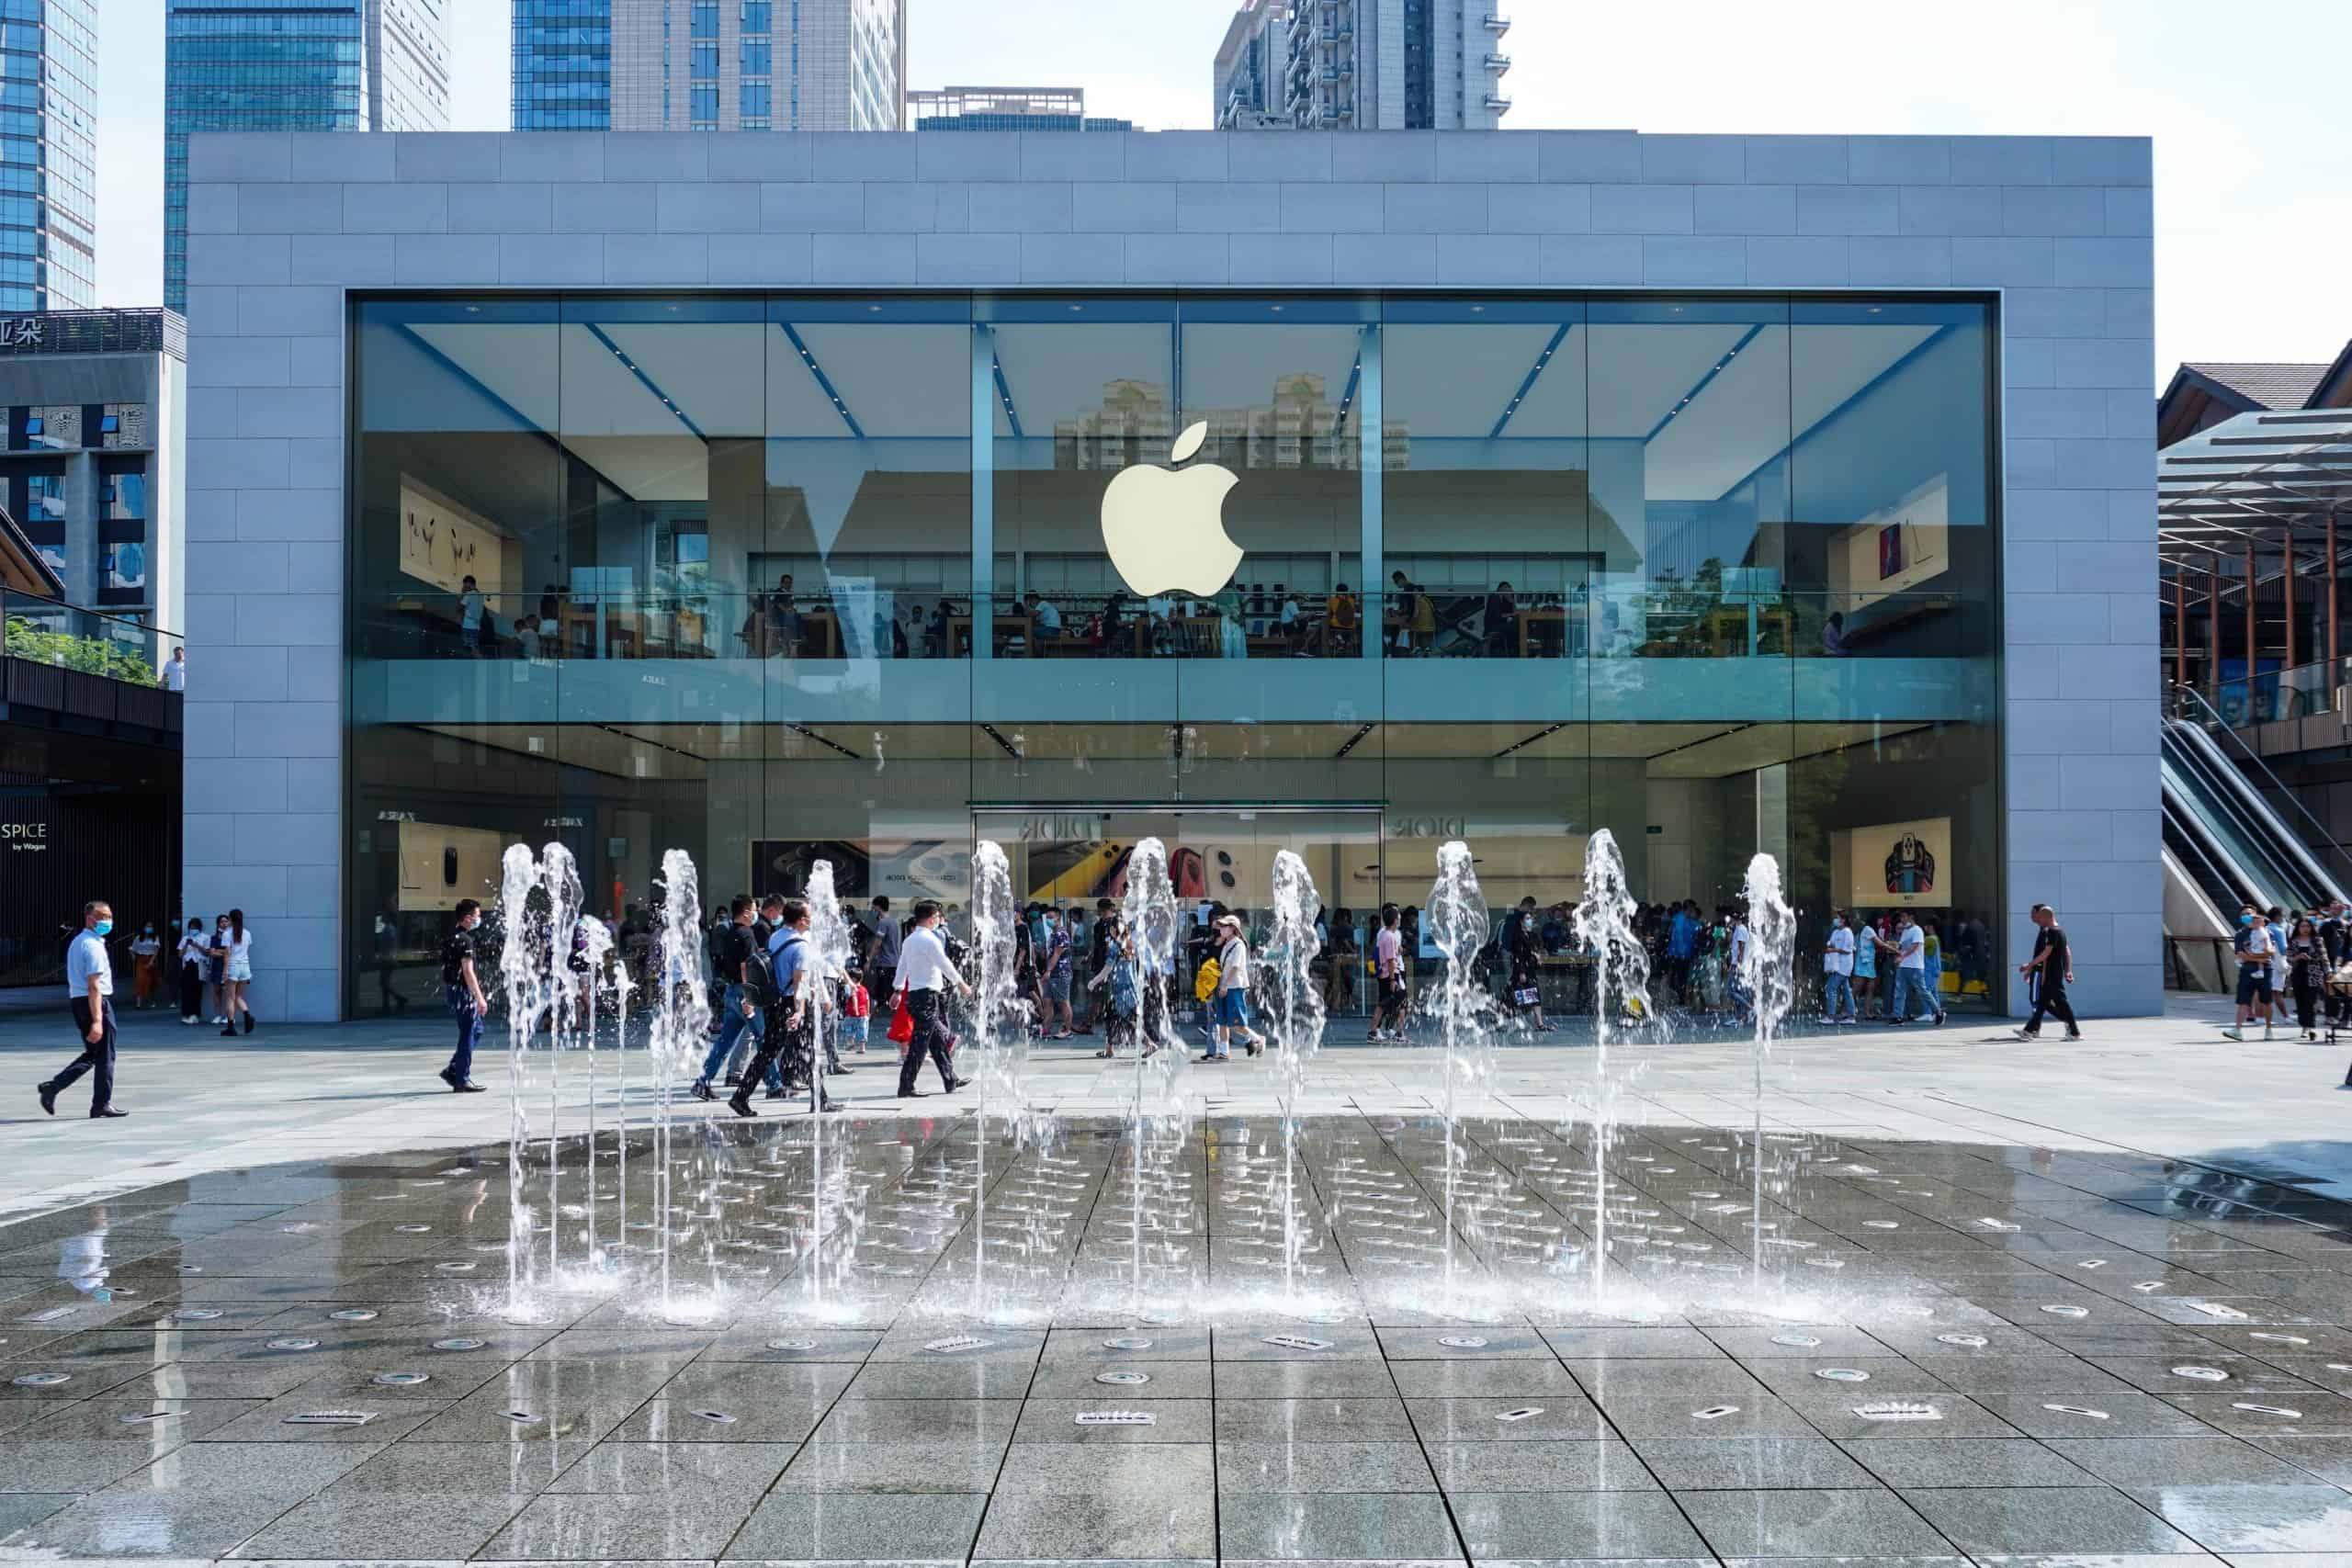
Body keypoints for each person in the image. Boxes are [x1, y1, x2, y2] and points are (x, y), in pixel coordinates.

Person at [729, 897, 839, 1118]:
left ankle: (741, 1097)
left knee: (768, 1051)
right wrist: (799, 1012)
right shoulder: (801, 947)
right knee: (808, 1049)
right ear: (801, 920)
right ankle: (819, 1099)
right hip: (790, 1004)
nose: (811, 920)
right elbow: (799, 984)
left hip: (774, 1002)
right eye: (809, 916)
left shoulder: (777, 936)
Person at [39, 900, 125, 1119]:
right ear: (90, 918)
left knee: (93, 1053)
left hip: (79, 1001)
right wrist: (97, 1020)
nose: (108, 921)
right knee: (105, 1055)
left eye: (109, 916)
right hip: (94, 1002)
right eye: (103, 916)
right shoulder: (92, 946)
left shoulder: (79, 941)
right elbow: (94, 985)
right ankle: (101, 1104)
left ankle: (53, 1087)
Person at [693, 896, 780, 1101]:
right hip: (744, 992)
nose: (756, 913)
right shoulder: (747, 934)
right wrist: (749, 997)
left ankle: (702, 1081)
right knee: (764, 1040)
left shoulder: (731, 932)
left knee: (725, 1041)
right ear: (747, 913)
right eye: (753, 909)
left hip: (731, 992)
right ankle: (774, 1084)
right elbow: (746, 966)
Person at [895, 900, 972, 1099]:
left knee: (937, 1042)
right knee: (920, 1044)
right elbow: (944, 964)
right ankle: (906, 1085)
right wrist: (961, 983)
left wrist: (897, 989)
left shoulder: (909, 940)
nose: (939, 919)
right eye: (937, 916)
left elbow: (902, 966)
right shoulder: (930, 940)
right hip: (927, 997)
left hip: (916, 996)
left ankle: (950, 1079)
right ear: (930, 918)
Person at [439, 898, 490, 1092]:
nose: (480, 919)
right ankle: (461, 1078)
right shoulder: (466, 940)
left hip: (453, 990)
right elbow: (468, 972)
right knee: (468, 1033)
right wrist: (480, 998)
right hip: (463, 992)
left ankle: (454, 1068)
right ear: (468, 918)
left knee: (476, 1029)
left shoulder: (451, 936)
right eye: (478, 916)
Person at [1204, 913, 1266, 1061]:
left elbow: (1235, 967)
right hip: (1225, 986)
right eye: (1222, 926)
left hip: (1234, 987)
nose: (1222, 929)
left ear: (1233, 928)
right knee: (1222, 1021)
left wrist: (1224, 985)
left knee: (1237, 1023)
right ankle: (1224, 1052)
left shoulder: (1238, 945)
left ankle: (1258, 1039)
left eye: (1225, 926)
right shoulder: (1227, 944)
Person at [2017, 902, 2082, 1042]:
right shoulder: (2060, 931)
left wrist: (2029, 966)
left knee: (2049, 1003)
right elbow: (2059, 954)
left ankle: (2030, 1031)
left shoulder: (2052, 932)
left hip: (2053, 974)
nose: (2037, 919)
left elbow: (2046, 954)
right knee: (2049, 1003)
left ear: (2047, 917)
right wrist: (2067, 971)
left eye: (2039, 917)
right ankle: (2073, 1032)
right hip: (2054, 973)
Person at [1887, 911, 1944, 1026]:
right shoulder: (1905, 931)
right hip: (1903, 966)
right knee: (1899, 992)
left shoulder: (1917, 930)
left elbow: (1915, 946)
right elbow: (1901, 946)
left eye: (1904, 917)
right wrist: (1893, 947)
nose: (1902, 919)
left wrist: (1901, 956)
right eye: (1901, 917)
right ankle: (1898, 1017)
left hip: (1915, 966)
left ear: (1910, 917)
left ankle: (1938, 1012)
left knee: (1923, 991)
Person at [1505, 897, 1552, 1033]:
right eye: (1528, 918)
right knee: (1514, 997)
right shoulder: (1518, 935)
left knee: (1533, 996)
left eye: (1531, 918)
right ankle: (1509, 1021)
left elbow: (1539, 949)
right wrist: (1521, 972)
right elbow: (1518, 955)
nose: (1530, 921)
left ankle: (1539, 1023)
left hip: (1529, 970)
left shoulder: (1532, 935)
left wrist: (1539, 956)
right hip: (1522, 971)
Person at [212, 908, 254, 1036]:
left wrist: (225, 972)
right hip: (245, 966)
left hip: (233, 966)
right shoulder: (247, 933)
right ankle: (247, 1016)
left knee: (230, 998)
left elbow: (227, 954)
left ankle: (231, 1027)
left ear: (230, 919)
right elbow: (247, 952)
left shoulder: (227, 933)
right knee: (239, 997)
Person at [1368, 904, 1406, 1043]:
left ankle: (1376, 1031)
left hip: (1385, 974)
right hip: (1389, 974)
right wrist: (1392, 980)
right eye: (1398, 917)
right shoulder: (1389, 936)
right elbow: (1390, 960)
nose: (1400, 919)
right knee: (1399, 1002)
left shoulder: (1384, 934)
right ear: (1395, 920)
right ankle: (1396, 1033)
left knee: (1384, 1003)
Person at [2289, 915, 2327, 1042]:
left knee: (2311, 1002)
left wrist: (2328, 971)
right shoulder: (2294, 940)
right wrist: (2298, 957)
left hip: (2314, 974)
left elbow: (2324, 956)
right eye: (2302, 926)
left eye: (2307, 926)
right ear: (2298, 928)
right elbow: (2289, 958)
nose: (2305, 929)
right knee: (2300, 1002)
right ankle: (2304, 1026)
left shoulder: (2317, 940)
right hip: (2298, 974)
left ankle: (2311, 1027)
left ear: (2311, 927)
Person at [1037, 907, 1074, 1039]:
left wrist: (1048, 971)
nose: (1048, 920)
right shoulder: (1052, 934)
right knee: (1047, 1001)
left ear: (1058, 918)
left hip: (1061, 973)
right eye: (1047, 918)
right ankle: (1046, 1028)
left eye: (1051, 917)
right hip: (1051, 973)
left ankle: (1067, 1030)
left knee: (1063, 1002)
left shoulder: (1061, 934)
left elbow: (1057, 955)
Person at [1821, 910, 1859, 1023]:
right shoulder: (1836, 932)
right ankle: (1851, 1016)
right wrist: (1830, 946)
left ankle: (1830, 1016)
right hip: (1836, 965)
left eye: (1838, 918)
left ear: (1843, 920)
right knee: (1846, 990)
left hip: (1843, 966)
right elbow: (1831, 943)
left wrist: (1833, 949)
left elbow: (1847, 950)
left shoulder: (1848, 932)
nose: (1836, 920)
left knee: (1830, 988)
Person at [865, 896, 901, 1010]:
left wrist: (869, 960)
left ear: (878, 907)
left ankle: (879, 1017)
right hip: (895, 962)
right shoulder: (895, 923)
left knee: (881, 994)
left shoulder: (883, 923)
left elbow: (877, 944)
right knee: (891, 993)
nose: (873, 910)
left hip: (885, 963)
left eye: (874, 908)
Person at [175, 917, 208, 1025]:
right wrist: (187, 945)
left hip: (199, 965)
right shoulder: (185, 938)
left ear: (199, 928)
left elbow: (207, 953)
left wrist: (196, 945)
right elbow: (180, 955)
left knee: (197, 990)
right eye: (191, 927)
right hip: (188, 966)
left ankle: (195, 1014)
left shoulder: (205, 937)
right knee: (186, 991)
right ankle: (186, 1014)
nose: (192, 929)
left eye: (195, 927)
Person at [1849, 907, 1878, 1019]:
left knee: (1870, 987)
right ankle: (1848, 1010)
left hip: (1869, 962)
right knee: (1858, 987)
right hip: (1862, 963)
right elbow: (1879, 943)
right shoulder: (1864, 931)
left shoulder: (1866, 931)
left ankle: (1867, 1012)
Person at [129, 922, 161, 1010]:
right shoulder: (138, 938)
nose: (149, 928)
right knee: (140, 980)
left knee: (152, 981)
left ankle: (151, 1000)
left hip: (151, 959)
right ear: (143, 927)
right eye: (147, 926)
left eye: (151, 926)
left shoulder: (155, 938)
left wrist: (151, 961)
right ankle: (138, 1003)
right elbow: (134, 950)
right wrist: (131, 952)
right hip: (141, 960)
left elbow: (156, 950)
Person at [1483, 580, 1518, 658]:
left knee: (1515, 625)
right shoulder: (1494, 598)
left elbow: (1513, 613)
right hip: (1492, 627)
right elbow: (1497, 616)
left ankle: (1512, 650)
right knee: (1514, 628)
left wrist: (1512, 601)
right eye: (1508, 590)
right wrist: (1512, 614)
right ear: (1502, 589)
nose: (1509, 592)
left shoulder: (1504, 600)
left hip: (1498, 625)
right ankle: (1513, 651)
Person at [458, 574, 486, 656]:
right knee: (474, 649)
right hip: (477, 626)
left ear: (469, 583)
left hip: (468, 626)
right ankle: (479, 665)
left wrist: (462, 594)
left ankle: (481, 664)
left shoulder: (469, 594)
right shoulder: (481, 595)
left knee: (469, 649)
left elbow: (460, 607)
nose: (464, 587)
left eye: (465, 584)